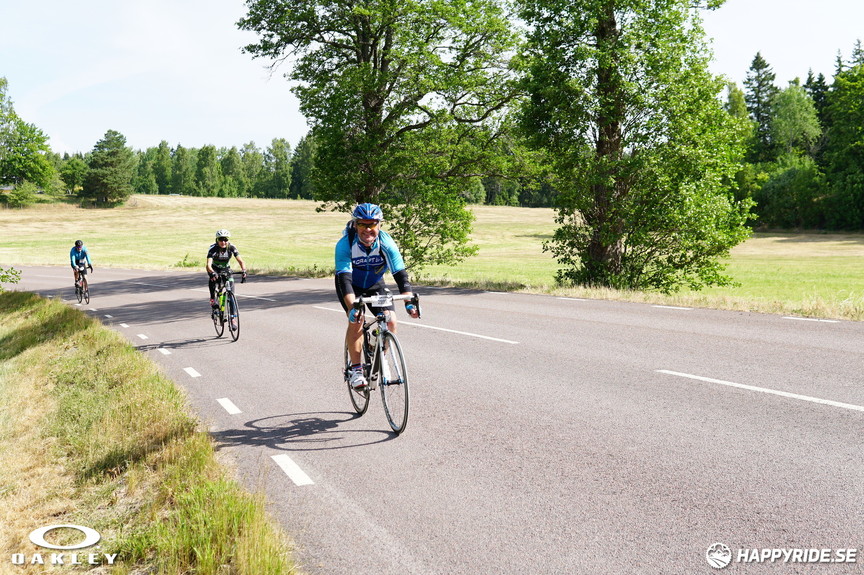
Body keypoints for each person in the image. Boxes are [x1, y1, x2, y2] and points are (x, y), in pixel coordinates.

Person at [335, 203, 419, 389]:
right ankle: (356, 369)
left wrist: (409, 302)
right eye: (363, 224)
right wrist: (352, 307)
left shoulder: (385, 243)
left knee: (391, 321)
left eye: (372, 224)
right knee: (357, 319)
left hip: (375, 284)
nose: (368, 229)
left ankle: (381, 356)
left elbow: (400, 275)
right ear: (356, 224)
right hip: (351, 286)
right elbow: (345, 280)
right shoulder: (345, 244)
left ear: (379, 225)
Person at [206, 229, 247, 308]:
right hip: (214, 268)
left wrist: (244, 271)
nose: (223, 242)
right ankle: (212, 299)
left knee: (231, 294)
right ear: (217, 240)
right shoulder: (213, 249)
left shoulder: (231, 247)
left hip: (226, 269)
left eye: (225, 239)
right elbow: (208, 265)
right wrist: (212, 273)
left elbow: (241, 261)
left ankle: (232, 317)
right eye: (221, 239)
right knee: (213, 279)